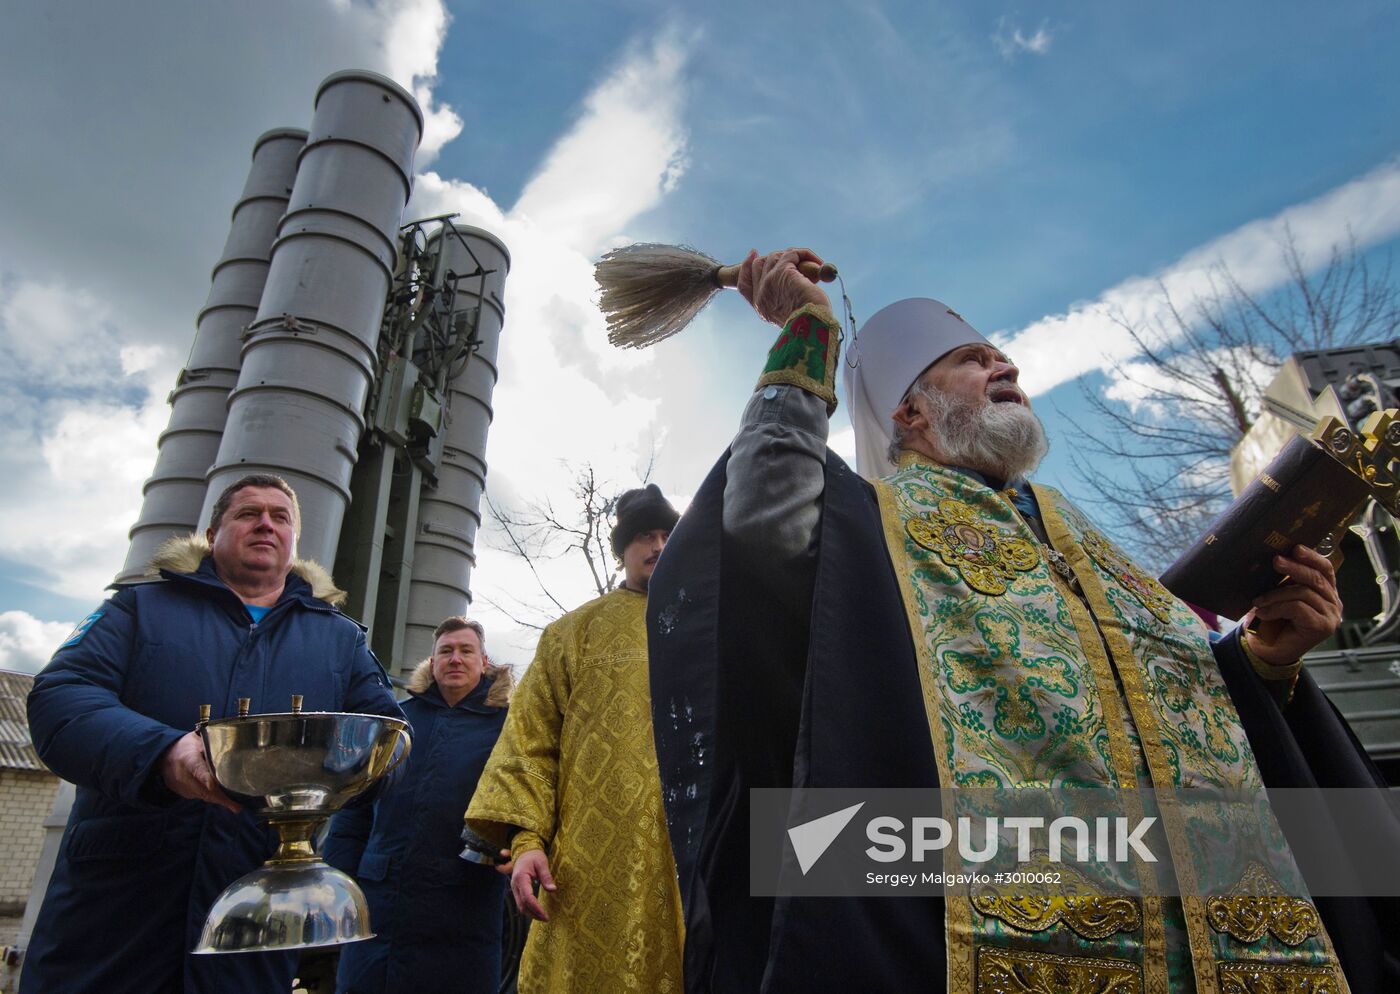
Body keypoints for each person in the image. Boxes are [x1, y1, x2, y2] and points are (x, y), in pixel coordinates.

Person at [645, 249, 1400, 993]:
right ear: (910, 412)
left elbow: (1174, 705)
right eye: (973, 360)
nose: (1005, 366)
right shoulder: (869, 527)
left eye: (1003, 357)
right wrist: (807, 329)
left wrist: (1265, 655)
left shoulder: (1090, 543)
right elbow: (758, 514)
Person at [24, 473, 404, 994]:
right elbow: (60, 698)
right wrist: (163, 752)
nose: (266, 524)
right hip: (116, 910)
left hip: (259, 912)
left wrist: (324, 777)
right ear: (211, 532)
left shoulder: (339, 638)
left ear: (295, 540)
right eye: (248, 514)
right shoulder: (139, 609)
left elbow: (390, 738)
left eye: (280, 516)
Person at [465, 484, 685, 993]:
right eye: (643, 536)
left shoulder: (718, 623)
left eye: (668, 534)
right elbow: (531, 743)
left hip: (702, 856)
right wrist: (525, 844)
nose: (657, 545)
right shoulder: (572, 633)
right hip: (594, 866)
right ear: (622, 551)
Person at [323, 616, 514, 994]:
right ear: (432, 661)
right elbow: (355, 805)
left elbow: (525, 799)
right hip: (382, 900)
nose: (455, 659)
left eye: (465, 651)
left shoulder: (508, 728)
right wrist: (337, 882)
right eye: (446, 651)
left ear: (484, 661)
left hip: (465, 904)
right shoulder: (396, 722)